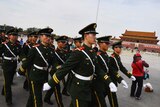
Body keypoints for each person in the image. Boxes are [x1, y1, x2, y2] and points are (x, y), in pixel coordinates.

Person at [43, 23, 117, 107]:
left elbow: (98, 69)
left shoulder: (92, 52)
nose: (95, 37)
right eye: (93, 35)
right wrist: (50, 83)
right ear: (85, 35)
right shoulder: (78, 53)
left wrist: (109, 82)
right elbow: (64, 69)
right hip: (79, 89)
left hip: (88, 87)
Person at [18, 28, 56, 107]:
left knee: (33, 96)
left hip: (44, 76)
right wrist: (20, 71)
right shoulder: (35, 49)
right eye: (46, 36)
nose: (48, 38)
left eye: (49, 36)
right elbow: (28, 62)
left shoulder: (51, 49)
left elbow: (54, 63)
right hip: (34, 76)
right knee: (38, 101)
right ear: (41, 37)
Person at [94, 36, 128, 107]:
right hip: (98, 83)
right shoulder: (97, 55)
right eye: (106, 43)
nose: (107, 44)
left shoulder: (105, 55)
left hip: (106, 82)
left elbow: (111, 69)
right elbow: (99, 71)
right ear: (99, 44)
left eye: (108, 43)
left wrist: (120, 79)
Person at [109, 41, 136, 107]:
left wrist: (130, 75)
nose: (120, 49)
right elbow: (112, 71)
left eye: (121, 47)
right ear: (114, 48)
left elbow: (121, 67)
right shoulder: (111, 58)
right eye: (118, 47)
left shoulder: (117, 57)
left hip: (114, 78)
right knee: (112, 97)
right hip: (110, 79)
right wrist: (121, 79)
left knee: (108, 95)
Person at [44, 35, 69, 106]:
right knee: (57, 89)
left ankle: (46, 98)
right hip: (54, 72)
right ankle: (60, 105)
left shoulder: (65, 52)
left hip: (61, 72)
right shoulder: (54, 52)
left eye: (65, 42)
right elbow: (51, 63)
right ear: (58, 43)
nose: (64, 43)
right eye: (62, 42)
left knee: (53, 87)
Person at [0, 28, 22, 105]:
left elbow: (21, 55)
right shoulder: (4, 45)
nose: (15, 37)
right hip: (6, 65)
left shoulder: (19, 46)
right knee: (8, 83)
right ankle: (8, 100)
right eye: (13, 35)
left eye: (16, 35)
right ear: (9, 36)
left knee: (8, 80)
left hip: (14, 65)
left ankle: (3, 91)